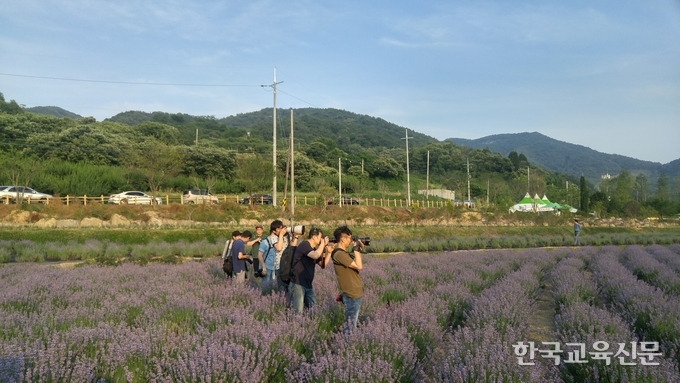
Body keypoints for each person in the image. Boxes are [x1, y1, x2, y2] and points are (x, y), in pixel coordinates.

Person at [290, 228, 332, 313]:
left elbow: (323, 265)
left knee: (313, 311)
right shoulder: (304, 245)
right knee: (298, 312)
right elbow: (315, 255)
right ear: (314, 237)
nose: (322, 239)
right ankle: (296, 325)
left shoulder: (314, 249)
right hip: (298, 283)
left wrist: (329, 253)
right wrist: (322, 245)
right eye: (320, 237)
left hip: (308, 284)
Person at [331, 225, 364, 332]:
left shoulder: (343, 253)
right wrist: (356, 250)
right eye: (349, 238)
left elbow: (355, 263)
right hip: (352, 294)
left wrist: (358, 250)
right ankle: (347, 345)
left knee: (352, 323)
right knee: (350, 327)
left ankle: (348, 344)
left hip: (355, 292)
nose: (351, 241)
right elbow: (359, 266)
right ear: (343, 238)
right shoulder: (339, 254)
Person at [258, 219, 298, 292]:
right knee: (282, 287)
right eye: (278, 229)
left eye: (281, 227)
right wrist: (281, 235)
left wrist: (296, 236)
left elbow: (293, 246)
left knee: (291, 287)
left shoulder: (287, 235)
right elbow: (279, 248)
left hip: (289, 264)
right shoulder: (273, 237)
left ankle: (289, 301)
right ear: (274, 231)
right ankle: (282, 300)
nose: (281, 230)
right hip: (280, 265)